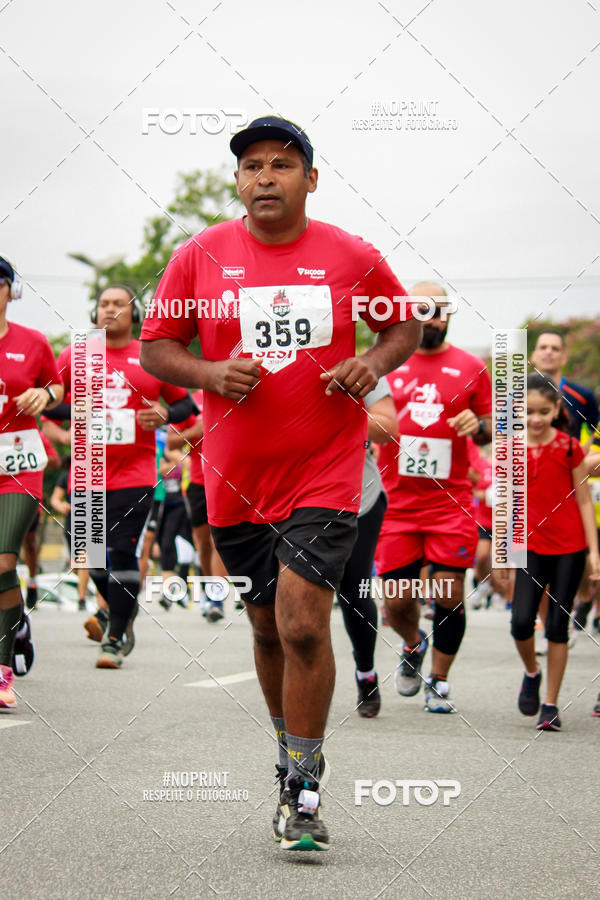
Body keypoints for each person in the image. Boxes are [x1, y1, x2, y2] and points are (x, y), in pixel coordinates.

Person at [139, 115, 420, 851]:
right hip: (233, 476)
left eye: (283, 164)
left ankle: (304, 788)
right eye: (253, 165)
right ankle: (291, 751)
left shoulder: (351, 255)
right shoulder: (199, 256)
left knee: (301, 620)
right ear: (238, 182)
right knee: (265, 627)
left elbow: (403, 328)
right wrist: (207, 372)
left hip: (325, 465)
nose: (266, 176)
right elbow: (158, 350)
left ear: (311, 180)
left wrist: (375, 363)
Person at [50, 285, 196, 668]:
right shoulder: (75, 354)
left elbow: (185, 403)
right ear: (95, 312)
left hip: (135, 473)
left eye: (119, 303)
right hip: (86, 472)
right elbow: (51, 405)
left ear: (135, 313)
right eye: (103, 303)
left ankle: (113, 639)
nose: (110, 309)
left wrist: (164, 413)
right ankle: (123, 617)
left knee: (120, 552)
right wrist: (72, 419)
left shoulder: (150, 356)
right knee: (90, 558)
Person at [375, 281, 492, 714]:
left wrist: (476, 426)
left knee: (448, 591)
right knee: (397, 600)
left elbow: (491, 427)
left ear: (448, 315)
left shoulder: (471, 367)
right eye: (421, 311)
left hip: (451, 502)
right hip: (398, 504)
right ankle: (412, 643)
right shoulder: (386, 364)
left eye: (438, 311)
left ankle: (439, 681)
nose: (431, 319)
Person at [511, 374, 600, 731]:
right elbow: (509, 503)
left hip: (570, 546)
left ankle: (550, 704)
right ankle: (532, 671)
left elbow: (582, 499)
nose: (536, 418)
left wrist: (594, 552)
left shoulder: (568, 447)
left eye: (544, 412)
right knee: (520, 623)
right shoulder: (512, 448)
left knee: (557, 627)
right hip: (530, 546)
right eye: (529, 411)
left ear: (556, 411)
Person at [0, 256, 64, 709]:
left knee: (3, 561)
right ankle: (17, 620)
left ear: (9, 290)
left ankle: (2, 674)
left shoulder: (33, 342)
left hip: (19, 464)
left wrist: (45, 394)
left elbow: (57, 388)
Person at [338, 378, 397, 717]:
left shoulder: (360, 366)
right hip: (291, 493)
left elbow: (387, 427)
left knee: (353, 593)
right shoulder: (273, 356)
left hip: (359, 496)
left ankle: (366, 673)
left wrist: (334, 421)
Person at [531, 330, 598, 442]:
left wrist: (583, 456)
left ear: (564, 358)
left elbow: (596, 432)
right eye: (543, 347)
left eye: (555, 349)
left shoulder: (582, 395)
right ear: (534, 356)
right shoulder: (516, 396)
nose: (548, 352)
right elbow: (502, 438)